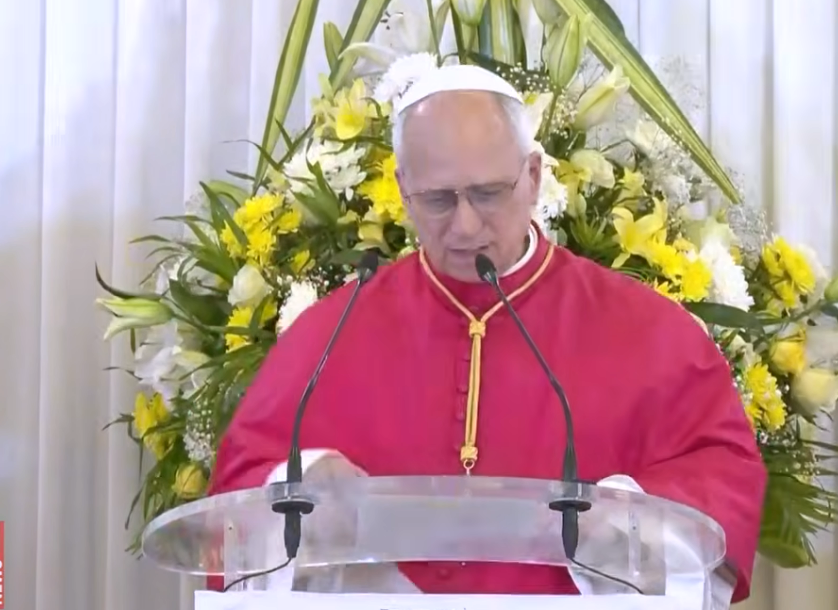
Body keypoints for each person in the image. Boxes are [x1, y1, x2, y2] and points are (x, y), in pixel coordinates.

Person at [207, 65, 767, 604]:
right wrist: (299, 484)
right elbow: (236, 493)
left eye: (489, 193)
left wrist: (629, 517)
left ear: (533, 176)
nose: (465, 225)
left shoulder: (645, 329)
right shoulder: (333, 331)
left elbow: (721, 477)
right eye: (438, 199)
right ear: (403, 188)